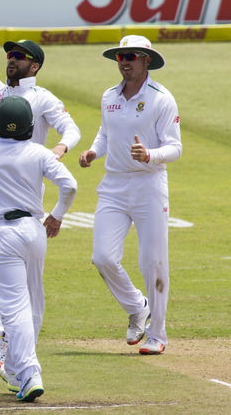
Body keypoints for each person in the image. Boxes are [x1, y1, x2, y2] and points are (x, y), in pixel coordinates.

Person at [0, 0, 81, 370]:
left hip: (24, 194)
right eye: (10, 54)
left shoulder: (42, 98)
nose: (12, 59)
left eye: (20, 56)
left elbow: (71, 128)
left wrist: (59, 147)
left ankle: (11, 347)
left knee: (21, 285)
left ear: (34, 65)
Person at [0, 96, 77, 401]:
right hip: (35, 230)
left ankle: (29, 371)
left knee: (14, 307)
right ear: (28, 126)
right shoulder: (39, 152)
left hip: (3, 234)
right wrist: (57, 215)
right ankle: (14, 369)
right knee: (33, 301)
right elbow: (70, 186)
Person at [79, 35, 182, 355]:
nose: (124, 61)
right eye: (120, 56)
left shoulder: (162, 98)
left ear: (146, 60)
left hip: (149, 184)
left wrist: (149, 155)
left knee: (153, 261)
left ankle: (158, 333)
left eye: (131, 57)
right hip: (113, 185)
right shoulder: (109, 96)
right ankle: (138, 306)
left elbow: (175, 148)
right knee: (102, 257)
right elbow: (105, 133)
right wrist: (94, 151)